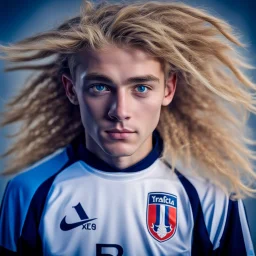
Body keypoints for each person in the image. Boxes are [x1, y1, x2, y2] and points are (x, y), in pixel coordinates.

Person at [0, 1, 255, 255]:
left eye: (141, 88)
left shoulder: (211, 197)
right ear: (71, 89)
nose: (120, 111)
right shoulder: (28, 192)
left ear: (168, 89)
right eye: (100, 87)